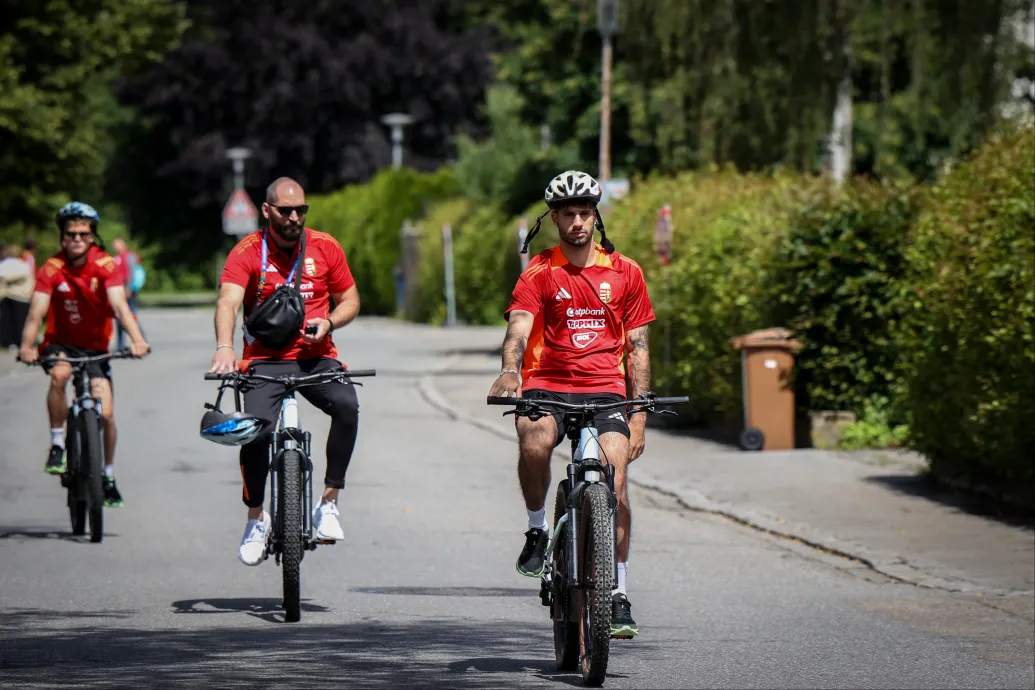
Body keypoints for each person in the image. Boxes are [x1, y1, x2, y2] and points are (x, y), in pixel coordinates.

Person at [488, 170, 655, 639]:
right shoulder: (540, 271)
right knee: (535, 441)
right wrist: (510, 371)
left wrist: (638, 417)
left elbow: (638, 348)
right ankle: (538, 528)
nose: (578, 221)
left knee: (617, 484)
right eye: (568, 214)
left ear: (595, 216)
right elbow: (518, 329)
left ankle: (618, 593)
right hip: (546, 385)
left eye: (585, 212)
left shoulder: (626, 272)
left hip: (606, 391)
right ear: (555, 218)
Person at [208, 176, 363, 566]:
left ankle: (329, 502)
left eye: (300, 210)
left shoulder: (325, 246)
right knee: (254, 430)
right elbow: (228, 301)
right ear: (267, 211)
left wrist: (328, 323)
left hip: (316, 357)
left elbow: (350, 299)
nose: (294, 217)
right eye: (285, 210)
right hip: (264, 360)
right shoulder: (246, 250)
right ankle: (255, 517)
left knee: (347, 405)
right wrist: (226, 347)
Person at [18, 202, 150, 507]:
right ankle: (56, 444)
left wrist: (138, 340)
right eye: (70, 234)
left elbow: (119, 306)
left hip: (95, 349)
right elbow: (36, 312)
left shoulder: (105, 265)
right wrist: (26, 346)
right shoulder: (51, 267)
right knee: (60, 374)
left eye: (83, 234)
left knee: (106, 413)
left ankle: (107, 474)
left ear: (92, 237)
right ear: (62, 237)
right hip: (59, 343)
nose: (77, 239)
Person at [110, 236, 144, 349]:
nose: (115, 246)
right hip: (118, 288)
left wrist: (129, 288)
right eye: (114, 244)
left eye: (117, 244)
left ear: (123, 244)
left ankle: (140, 339)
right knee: (118, 316)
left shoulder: (129, 256)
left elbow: (132, 272)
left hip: (127, 288)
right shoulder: (116, 258)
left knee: (130, 315)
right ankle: (120, 344)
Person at [0, 244, 34, 349]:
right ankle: (19, 342)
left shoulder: (4, 263)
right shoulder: (22, 264)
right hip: (22, 296)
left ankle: (6, 342)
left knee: (6, 320)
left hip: (8, 295)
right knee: (20, 322)